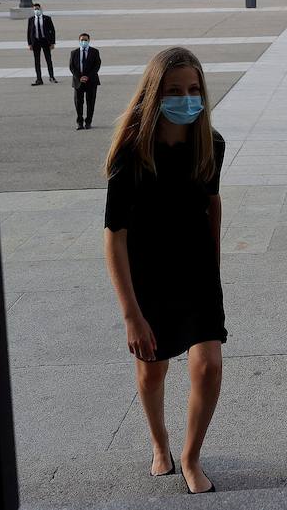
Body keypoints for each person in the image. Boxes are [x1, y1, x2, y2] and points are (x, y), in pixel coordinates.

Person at [103, 47, 226, 495]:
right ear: (155, 94)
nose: (187, 98)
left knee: (209, 366)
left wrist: (213, 265)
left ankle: (192, 456)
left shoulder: (210, 143)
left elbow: (212, 203)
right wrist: (130, 313)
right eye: (174, 91)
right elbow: (113, 234)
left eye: (194, 89)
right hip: (148, 278)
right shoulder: (131, 153)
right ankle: (160, 444)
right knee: (153, 371)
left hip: (196, 274)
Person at [71, 32, 102, 129]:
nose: (83, 42)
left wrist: (87, 76)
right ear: (79, 41)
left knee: (90, 102)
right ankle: (79, 122)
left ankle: (88, 122)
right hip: (78, 81)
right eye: (82, 40)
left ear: (89, 41)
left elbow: (97, 66)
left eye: (85, 40)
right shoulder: (74, 53)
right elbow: (72, 67)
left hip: (91, 81)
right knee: (78, 102)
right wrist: (80, 77)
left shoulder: (95, 52)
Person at [27, 3, 58, 85]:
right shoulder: (31, 19)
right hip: (36, 41)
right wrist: (30, 43)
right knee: (37, 61)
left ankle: (51, 76)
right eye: (35, 9)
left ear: (41, 9)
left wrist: (52, 42)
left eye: (38, 9)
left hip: (45, 41)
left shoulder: (47, 18)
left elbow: (52, 31)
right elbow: (29, 32)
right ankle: (39, 79)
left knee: (48, 60)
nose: (36, 10)